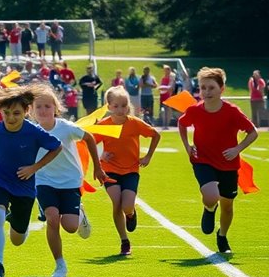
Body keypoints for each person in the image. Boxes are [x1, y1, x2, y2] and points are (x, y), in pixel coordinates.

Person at [0, 86, 62, 277]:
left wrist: (34, 168)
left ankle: (13, 217)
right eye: (6, 113)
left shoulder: (34, 131)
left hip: (24, 185)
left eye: (16, 113)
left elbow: (56, 147)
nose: (10, 118)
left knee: (18, 239)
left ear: (26, 112)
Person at [178, 67, 259, 254]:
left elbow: (252, 132)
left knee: (228, 205)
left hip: (228, 164)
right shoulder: (195, 110)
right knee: (212, 195)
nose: (206, 92)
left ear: (222, 89)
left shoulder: (232, 111)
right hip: (202, 160)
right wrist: (187, 146)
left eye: (211, 88)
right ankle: (209, 208)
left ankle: (222, 235)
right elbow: (182, 124)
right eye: (203, 88)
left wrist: (237, 149)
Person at [30, 85, 107, 277]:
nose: (43, 110)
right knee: (52, 218)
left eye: (47, 106)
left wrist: (98, 168)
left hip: (70, 181)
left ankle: (79, 212)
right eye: (38, 106)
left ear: (55, 108)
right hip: (44, 181)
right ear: (31, 110)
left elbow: (89, 138)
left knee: (71, 227)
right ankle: (59, 265)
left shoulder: (66, 127)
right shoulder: (30, 131)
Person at [92, 86, 161, 256]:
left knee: (127, 205)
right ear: (109, 107)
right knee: (117, 204)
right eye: (116, 106)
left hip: (131, 170)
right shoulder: (103, 125)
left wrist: (148, 157)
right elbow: (90, 143)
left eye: (124, 105)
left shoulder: (134, 123)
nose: (120, 109)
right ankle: (124, 241)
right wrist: (101, 154)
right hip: (110, 170)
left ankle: (131, 213)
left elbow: (156, 135)